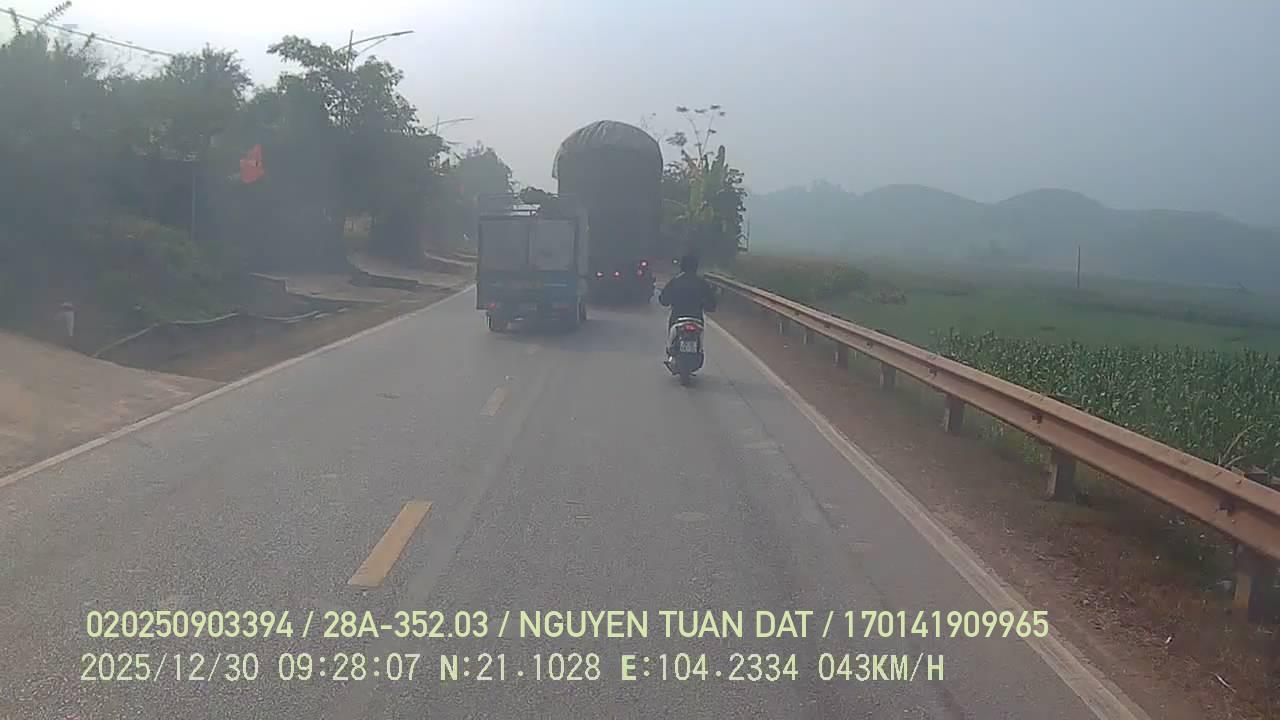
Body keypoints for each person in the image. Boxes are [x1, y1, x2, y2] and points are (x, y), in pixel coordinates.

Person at [659, 252, 718, 356]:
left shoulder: (676, 281)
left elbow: (663, 300)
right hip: (697, 318)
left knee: (671, 343)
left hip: (677, 317)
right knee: (700, 345)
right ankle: (698, 351)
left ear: (682, 266)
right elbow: (712, 304)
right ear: (696, 267)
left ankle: (671, 351)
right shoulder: (702, 283)